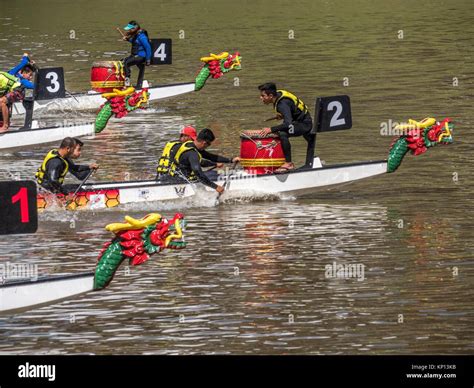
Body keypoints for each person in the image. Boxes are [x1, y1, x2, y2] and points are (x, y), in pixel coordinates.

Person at [258, 82, 313, 172]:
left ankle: (288, 163)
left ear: (270, 96)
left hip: (304, 124)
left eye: (263, 96)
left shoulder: (281, 104)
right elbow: (292, 109)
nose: (261, 98)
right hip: (299, 121)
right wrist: (283, 115)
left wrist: (270, 129)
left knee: (283, 133)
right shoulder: (278, 95)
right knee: (280, 130)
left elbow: (288, 124)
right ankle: (282, 161)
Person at [167, 128, 240, 193]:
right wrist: (216, 187)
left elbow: (210, 156)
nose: (206, 148)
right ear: (204, 143)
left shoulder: (189, 144)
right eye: (208, 145)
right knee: (210, 174)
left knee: (210, 174)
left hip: (174, 176)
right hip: (179, 181)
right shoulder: (192, 153)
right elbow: (198, 173)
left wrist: (231, 160)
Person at [0, 53, 35, 133]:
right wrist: (25, 56)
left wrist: (26, 58)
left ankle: (5, 126)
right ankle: (4, 122)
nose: (31, 77)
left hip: (18, 89)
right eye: (30, 75)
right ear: (22, 73)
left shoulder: (22, 80)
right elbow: (23, 62)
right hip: (11, 90)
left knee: (2, 102)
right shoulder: (13, 73)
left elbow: (32, 86)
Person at [121, 20, 152, 88]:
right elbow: (135, 42)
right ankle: (139, 85)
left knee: (126, 63)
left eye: (130, 29)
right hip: (135, 55)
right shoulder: (136, 35)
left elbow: (148, 47)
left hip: (141, 56)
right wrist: (127, 39)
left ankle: (127, 83)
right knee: (122, 62)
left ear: (135, 28)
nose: (129, 30)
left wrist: (148, 59)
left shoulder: (142, 36)